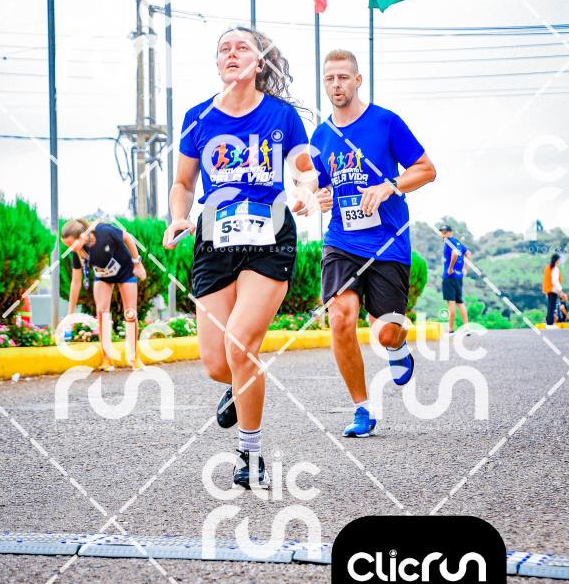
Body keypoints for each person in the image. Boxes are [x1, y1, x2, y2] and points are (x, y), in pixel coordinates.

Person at [162, 27, 317, 488]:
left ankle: (251, 455)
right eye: (224, 49)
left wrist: (305, 192)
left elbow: (305, 169)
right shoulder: (198, 117)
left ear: (259, 62)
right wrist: (178, 216)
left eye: (242, 47)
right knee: (217, 363)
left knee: (241, 344)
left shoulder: (281, 115)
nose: (232, 53)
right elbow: (183, 183)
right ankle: (239, 384)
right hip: (214, 237)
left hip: (269, 236)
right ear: (217, 64)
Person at [311, 49, 436, 438]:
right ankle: (362, 408)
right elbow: (319, 184)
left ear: (358, 80)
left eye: (343, 77)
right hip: (342, 241)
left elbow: (427, 169)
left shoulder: (385, 122)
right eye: (330, 78)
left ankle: (397, 346)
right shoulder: (321, 136)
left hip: (387, 243)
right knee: (340, 316)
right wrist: (319, 196)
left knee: (386, 332)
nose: (336, 85)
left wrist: (389, 186)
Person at [61, 219, 146, 370]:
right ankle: (107, 359)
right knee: (101, 313)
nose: (70, 249)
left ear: (81, 236)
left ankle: (134, 357)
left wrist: (137, 263)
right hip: (103, 276)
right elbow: (75, 283)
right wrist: (70, 314)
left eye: (71, 244)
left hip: (125, 271)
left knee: (130, 313)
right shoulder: (78, 252)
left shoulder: (104, 232)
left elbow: (127, 237)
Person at [439, 225, 471, 334]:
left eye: (445, 232)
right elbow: (468, 253)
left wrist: (450, 268)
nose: (443, 235)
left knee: (451, 304)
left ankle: (450, 329)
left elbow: (455, 253)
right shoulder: (457, 242)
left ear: (450, 232)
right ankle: (466, 328)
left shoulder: (449, 242)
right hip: (458, 277)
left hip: (449, 277)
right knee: (460, 302)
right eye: (442, 232)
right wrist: (464, 268)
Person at [543, 253, 563, 327]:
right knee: (552, 307)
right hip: (553, 290)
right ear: (557, 260)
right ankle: (550, 323)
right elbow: (555, 281)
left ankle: (549, 322)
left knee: (550, 306)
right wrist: (560, 290)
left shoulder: (548, 268)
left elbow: (546, 280)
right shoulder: (555, 268)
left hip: (548, 290)